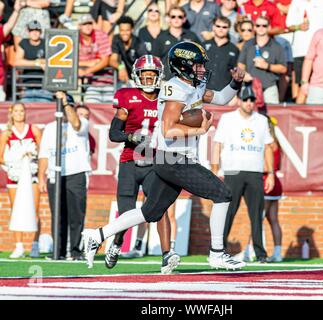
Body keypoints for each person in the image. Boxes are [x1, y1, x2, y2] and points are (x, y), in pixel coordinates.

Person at [82, 41, 247, 271]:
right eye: (198, 65)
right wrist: (199, 130)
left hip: (170, 159)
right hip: (174, 158)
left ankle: (97, 235)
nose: (202, 69)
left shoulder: (193, 84)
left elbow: (220, 98)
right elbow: (169, 129)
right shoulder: (176, 88)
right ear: (184, 66)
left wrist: (235, 83)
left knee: (150, 212)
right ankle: (217, 253)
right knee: (223, 194)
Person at [105, 54, 179, 273]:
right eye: (144, 75)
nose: (148, 79)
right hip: (130, 161)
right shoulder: (127, 97)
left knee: (160, 205)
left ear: (159, 76)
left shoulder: (167, 98)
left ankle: (167, 255)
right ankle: (117, 243)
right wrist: (131, 137)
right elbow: (113, 134)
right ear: (137, 76)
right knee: (127, 213)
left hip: (155, 163)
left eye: (152, 75)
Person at [212, 83, 274, 263]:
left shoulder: (261, 120)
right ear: (239, 100)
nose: (249, 103)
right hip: (232, 171)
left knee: (256, 215)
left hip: (254, 171)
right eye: (246, 99)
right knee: (228, 212)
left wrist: (270, 173)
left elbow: (268, 147)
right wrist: (215, 170)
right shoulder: (228, 118)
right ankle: (219, 250)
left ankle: (260, 254)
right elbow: (217, 144)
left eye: (252, 100)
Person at [38, 91, 91, 260]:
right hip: (56, 174)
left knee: (76, 215)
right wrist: (41, 177)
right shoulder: (50, 128)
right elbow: (44, 154)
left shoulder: (82, 122)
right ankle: (58, 252)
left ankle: (76, 252)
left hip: (76, 173)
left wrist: (66, 103)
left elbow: (75, 124)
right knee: (57, 215)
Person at [0, 102, 42, 258]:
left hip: (32, 175)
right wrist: (15, 161)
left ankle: (35, 246)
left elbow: (42, 152)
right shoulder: (6, 133)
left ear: (25, 112)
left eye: (22, 110)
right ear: (11, 113)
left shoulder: (34, 130)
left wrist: (31, 157)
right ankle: (19, 246)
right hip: (15, 177)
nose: (19, 113)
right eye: (16, 111)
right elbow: (1, 157)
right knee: (15, 209)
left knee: (35, 209)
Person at [238, 15, 287, 104]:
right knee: (248, 115)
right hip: (250, 85)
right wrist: (243, 75)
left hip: (269, 87)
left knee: (272, 116)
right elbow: (240, 65)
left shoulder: (276, 46)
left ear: (269, 27)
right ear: (254, 27)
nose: (261, 28)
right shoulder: (248, 44)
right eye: (258, 25)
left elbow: (283, 68)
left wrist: (267, 66)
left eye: (264, 26)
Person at [14, 20, 54, 102]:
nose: (34, 33)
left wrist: (45, 62)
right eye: (32, 30)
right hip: (27, 87)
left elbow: (52, 61)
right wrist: (37, 63)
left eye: (37, 30)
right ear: (28, 32)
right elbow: (17, 61)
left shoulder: (47, 43)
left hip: (45, 88)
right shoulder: (24, 43)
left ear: (41, 32)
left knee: (46, 111)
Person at [78, 14, 114, 103]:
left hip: (108, 80)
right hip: (90, 83)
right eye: (84, 24)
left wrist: (86, 71)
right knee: (91, 106)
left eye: (89, 23)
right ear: (79, 26)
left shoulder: (100, 35)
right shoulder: (76, 37)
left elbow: (105, 61)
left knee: (111, 108)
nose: (87, 26)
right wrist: (90, 63)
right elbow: (72, 61)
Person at [263, 116, 283, 262]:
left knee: (257, 219)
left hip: (266, 182)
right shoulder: (277, 143)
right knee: (273, 219)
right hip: (275, 182)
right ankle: (278, 252)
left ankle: (252, 250)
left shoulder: (269, 144)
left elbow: (266, 167)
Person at [204, 16, 239, 91]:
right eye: (218, 26)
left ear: (229, 29)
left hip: (223, 93)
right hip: (202, 90)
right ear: (213, 27)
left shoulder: (234, 50)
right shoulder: (203, 45)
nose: (221, 29)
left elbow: (236, 74)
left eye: (224, 27)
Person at [110, 16, 147, 86]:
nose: (124, 33)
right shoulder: (116, 39)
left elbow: (144, 64)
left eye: (127, 30)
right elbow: (112, 60)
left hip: (139, 80)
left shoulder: (138, 43)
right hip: (125, 79)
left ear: (132, 30)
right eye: (122, 30)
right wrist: (121, 67)